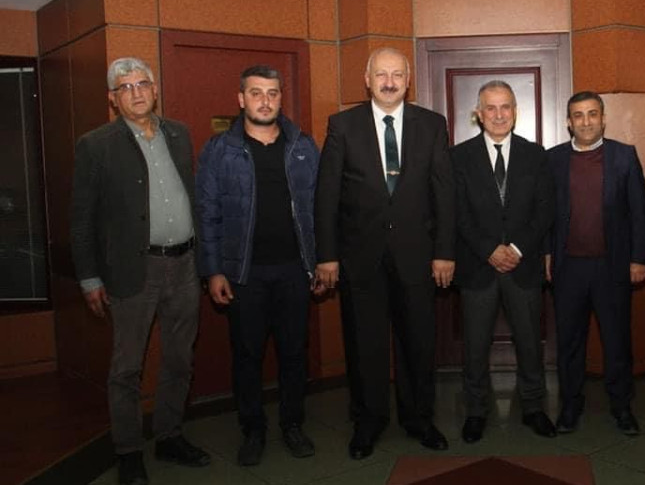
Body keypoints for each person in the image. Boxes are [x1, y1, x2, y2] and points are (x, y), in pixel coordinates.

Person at [70, 57, 209, 485]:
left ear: (155, 89)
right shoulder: (96, 145)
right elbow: (81, 219)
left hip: (185, 265)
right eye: (125, 87)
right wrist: (89, 277)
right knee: (126, 368)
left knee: (180, 359)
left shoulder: (179, 134)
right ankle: (129, 452)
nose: (136, 93)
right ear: (113, 99)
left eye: (142, 84)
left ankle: (169, 436)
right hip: (134, 270)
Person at [314, 47, 455, 460]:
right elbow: (327, 195)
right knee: (365, 345)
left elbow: (444, 193)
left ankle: (419, 419)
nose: (389, 82)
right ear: (367, 79)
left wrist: (445, 251)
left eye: (396, 75)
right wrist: (327, 255)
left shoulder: (432, 125)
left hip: (418, 256)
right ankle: (368, 422)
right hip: (360, 259)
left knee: (418, 343)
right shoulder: (342, 125)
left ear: (408, 80)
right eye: (381, 74)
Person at [195, 65, 320, 466]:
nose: (265, 101)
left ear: (281, 98)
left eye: (272, 93)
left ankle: (292, 424)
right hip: (243, 274)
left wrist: (320, 262)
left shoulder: (303, 146)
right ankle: (253, 429)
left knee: (294, 353)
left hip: (295, 270)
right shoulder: (219, 150)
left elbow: (320, 208)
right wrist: (213, 270)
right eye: (256, 93)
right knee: (247, 355)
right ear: (241, 99)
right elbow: (207, 213)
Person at [451, 80, 556, 443]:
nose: (499, 115)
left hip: (523, 266)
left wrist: (518, 249)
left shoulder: (536, 155)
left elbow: (545, 209)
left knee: (529, 342)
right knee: (475, 345)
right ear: (478, 114)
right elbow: (457, 212)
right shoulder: (458, 156)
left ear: (515, 111)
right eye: (491, 108)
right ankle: (476, 411)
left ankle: (534, 407)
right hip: (477, 267)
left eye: (505, 107)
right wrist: (489, 250)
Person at [546, 91, 645, 436]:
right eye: (578, 115)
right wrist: (547, 253)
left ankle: (622, 406)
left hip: (612, 266)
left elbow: (639, 212)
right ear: (568, 122)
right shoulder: (553, 159)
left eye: (592, 114)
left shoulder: (624, 156)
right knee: (570, 343)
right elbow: (545, 214)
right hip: (569, 268)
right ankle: (570, 406)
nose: (586, 121)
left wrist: (638, 258)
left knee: (617, 341)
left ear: (603, 119)